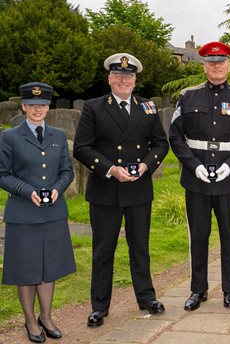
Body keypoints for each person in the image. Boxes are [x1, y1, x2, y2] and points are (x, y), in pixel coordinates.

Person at [73, 53, 169, 327]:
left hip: (138, 188)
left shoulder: (147, 107)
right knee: (103, 250)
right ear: (110, 79)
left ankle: (146, 297)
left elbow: (160, 144)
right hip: (105, 189)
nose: (123, 80)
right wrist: (110, 169)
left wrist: (145, 166)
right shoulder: (94, 107)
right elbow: (82, 147)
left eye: (128, 76)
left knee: (140, 247)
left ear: (135, 80)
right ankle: (99, 307)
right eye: (118, 76)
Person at [169, 41, 230, 310]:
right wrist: (193, 165)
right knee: (198, 237)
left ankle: (229, 289)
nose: (217, 67)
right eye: (211, 63)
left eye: (221, 62)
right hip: (196, 179)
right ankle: (198, 290)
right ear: (204, 66)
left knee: (229, 237)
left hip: (229, 180)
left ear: (229, 65)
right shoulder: (188, 96)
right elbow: (175, 135)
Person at [0, 82, 75, 343]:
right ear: (23, 106)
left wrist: (57, 188)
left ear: (48, 106)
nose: (37, 109)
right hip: (23, 214)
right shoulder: (9, 137)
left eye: (42, 104)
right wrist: (26, 190)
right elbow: (2, 174)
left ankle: (46, 316)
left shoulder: (57, 135)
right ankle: (30, 320)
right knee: (26, 269)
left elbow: (67, 171)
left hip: (53, 212)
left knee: (49, 266)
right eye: (32, 105)